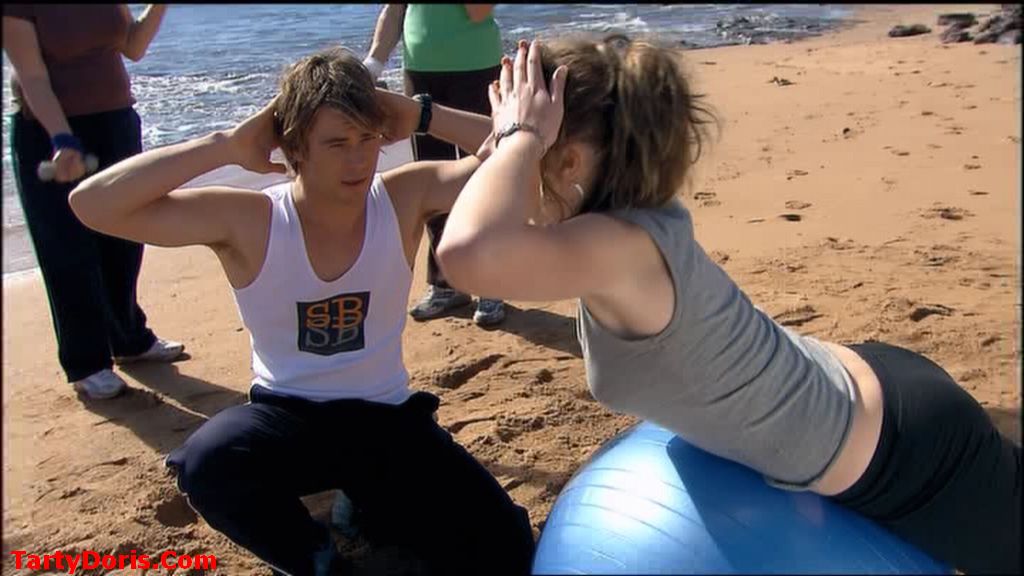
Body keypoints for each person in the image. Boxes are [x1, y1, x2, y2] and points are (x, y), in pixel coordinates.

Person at [435, 37, 1021, 574]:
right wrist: (429, 118)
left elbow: (466, 254)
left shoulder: (617, 248)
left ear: (566, 161)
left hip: (902, 453)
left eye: (519, 137)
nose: (502, 150)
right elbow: (500, 173)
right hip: (864, 394)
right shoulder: (628, 212)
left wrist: (522, 136)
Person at [68, 47, 534, 576]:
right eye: (336, 143)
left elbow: (522, 159)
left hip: (387, 421)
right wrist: (225, 145)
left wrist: (422, 113)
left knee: (508, 547)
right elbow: (93, 204)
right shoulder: (252, 219)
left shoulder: (404, 195)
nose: (358, 161)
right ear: (294, 146)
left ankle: (362, 506)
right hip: (287, 418)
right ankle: (319, 560)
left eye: (367, 139)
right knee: (209, 462)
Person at [3, 4, 184, 400]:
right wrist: (61, 138)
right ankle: (87, 362)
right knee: (67, 250)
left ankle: (129, 339)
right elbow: (32, 77)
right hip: (50, 133)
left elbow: (133, 46)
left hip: (116, 123)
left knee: (124, 238)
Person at [363, 3, 507, 326]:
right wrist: (372, 64)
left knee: (486, 173)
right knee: (431, 177)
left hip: (476, 67)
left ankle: (490, 283)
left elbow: (479, 11)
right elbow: (394, 10)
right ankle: (446, 283)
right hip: (420, 72)